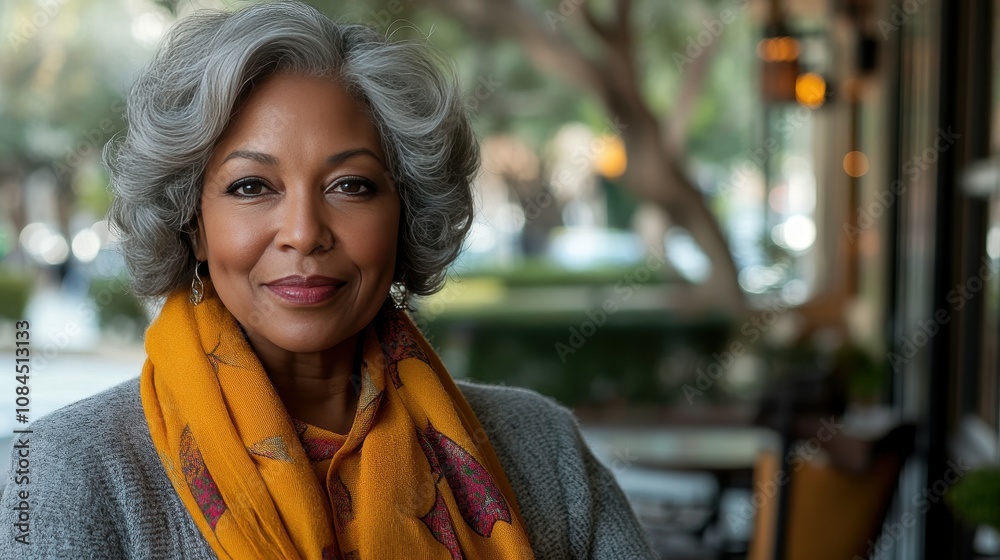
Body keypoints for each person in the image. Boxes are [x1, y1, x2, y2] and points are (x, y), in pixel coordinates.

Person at [0, 2, 654, 558]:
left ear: (406, 214)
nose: (304, 232)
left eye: (351, 185)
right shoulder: (74, 472)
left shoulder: (543, 452)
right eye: (251, 186)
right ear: (193, 224)